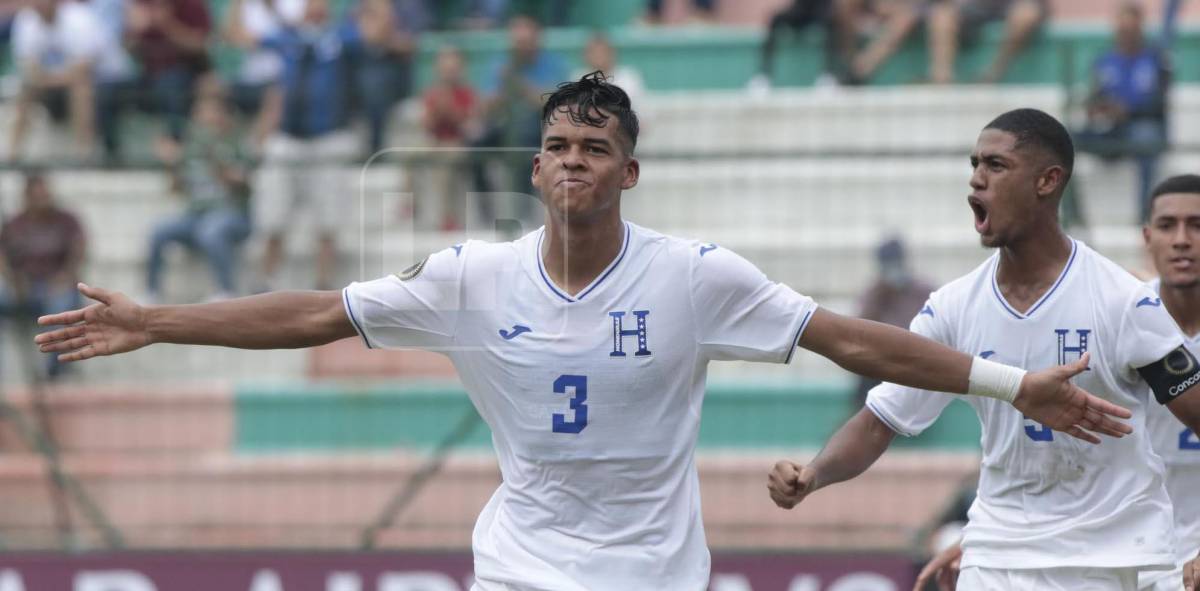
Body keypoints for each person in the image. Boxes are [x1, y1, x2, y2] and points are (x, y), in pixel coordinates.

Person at [36, 75, 1133, 590]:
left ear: (628, 171)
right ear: (532, 165)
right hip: (522, 568)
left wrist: (1005, 382)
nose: (573, 161)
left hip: (656, 573)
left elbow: (850, 339)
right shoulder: (472, 277)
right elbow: (316, 310)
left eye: (594, 148)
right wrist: (153, 320)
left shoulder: (696, 278)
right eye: (558, 144)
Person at [768, 108, 1200, 590]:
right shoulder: (952, 308)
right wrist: (813, 473)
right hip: (999, 558)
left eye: (995, 166)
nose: (976, 181)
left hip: (1117, 557)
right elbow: (879, 421)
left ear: (1047, 181)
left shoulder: (1121, 299)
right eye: (974, 165)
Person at [914, 175, 1200, 591]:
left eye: (1197, 225)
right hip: (1132, 547)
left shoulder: (1117, 302)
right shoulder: (1120, 309)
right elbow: (1045, 436)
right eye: (1168, 226)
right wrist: (990, 538)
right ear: (1147, 237)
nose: (1181, 240)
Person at [250, 0, 384, 291]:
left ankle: (323, 286)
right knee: (273, 218)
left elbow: (377, 33)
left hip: (329, 137)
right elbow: (240, 37)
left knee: (328, 221)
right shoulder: (289, 36)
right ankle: (265, 283)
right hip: (288, 138)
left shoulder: (342, 37)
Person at [146, 80, 253, 303]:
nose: (203, 119)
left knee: (212, 231)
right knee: (158, 231)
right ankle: (152, 292)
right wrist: (171, 164)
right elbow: (176, 189)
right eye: (199, 113)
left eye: (209, 113)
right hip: (195, 214)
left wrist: (217, 158)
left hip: (232, 214)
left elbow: (245, 185)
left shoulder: (236, 143)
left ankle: (226, 290)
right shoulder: (191, 149)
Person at [1074, 1, 1170, 223]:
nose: (1126, 33)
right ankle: (1072, 212)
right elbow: (1095, 95)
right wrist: (1094, 107)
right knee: (1062, 139)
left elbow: (1160, 103)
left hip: (1142, 127)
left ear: (1140, 28)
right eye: (1122, 28)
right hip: (1111, 129)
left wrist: (1128, 111)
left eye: (1131, 28)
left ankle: (1145, 215)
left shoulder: (1156, 58)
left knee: (1146, 137)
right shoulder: (1104, 60)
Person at [468, 14, 566, 226]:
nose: (520, 48)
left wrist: (519, 84)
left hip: (540, 129)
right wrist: (499, 95)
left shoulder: (553, 64)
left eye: (525, 42)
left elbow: (554, 104)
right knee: (475, 146)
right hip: (506, 125)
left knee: (524, 147)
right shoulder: (501, 64)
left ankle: (522, 215)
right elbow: (485, 106)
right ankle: (486, 210)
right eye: (517, 42)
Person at [7, 0, 118, 160]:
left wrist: (49, 79)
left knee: (82, 89)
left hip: (104, 83)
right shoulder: (26, 20)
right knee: (25, 89)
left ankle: (84, 153)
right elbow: (29, 66)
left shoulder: (79, 18)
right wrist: (47, 79)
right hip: (53, 84)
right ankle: (13, 154)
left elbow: (85, 68)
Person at [1, 171, 85, 379]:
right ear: (27, 197)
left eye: (45, 195)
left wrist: (64, 278)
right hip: (24, 287)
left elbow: (79, 252)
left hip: (58, 285)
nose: (43, 200)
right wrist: (13, 279)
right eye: (37, 196)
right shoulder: (15, 223)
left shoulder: (67, 220)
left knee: (58, 308)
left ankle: (53, 372)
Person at [852, 237, 936, 408]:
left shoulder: (922, 290)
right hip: (884, 362)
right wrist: (880, 295)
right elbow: (859, 329)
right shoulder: (875, 292)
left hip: (916, 358)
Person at [420, 45, 477, 231]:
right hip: (435, 142)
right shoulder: (432, 93)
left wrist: (449, 110)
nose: (449, 73)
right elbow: (427, 125)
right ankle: (407, 203)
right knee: (409, 150)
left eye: (452, 68)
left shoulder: (467, 94)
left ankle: (448, 217)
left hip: (458, 144)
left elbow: (470, 126)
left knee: (447, 159)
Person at [925, 0, 1046, 84]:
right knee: (942, 14)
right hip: (974, 6)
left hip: (1013, 5)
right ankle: (942, 77)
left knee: (1026, 13)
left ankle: (993, 73)